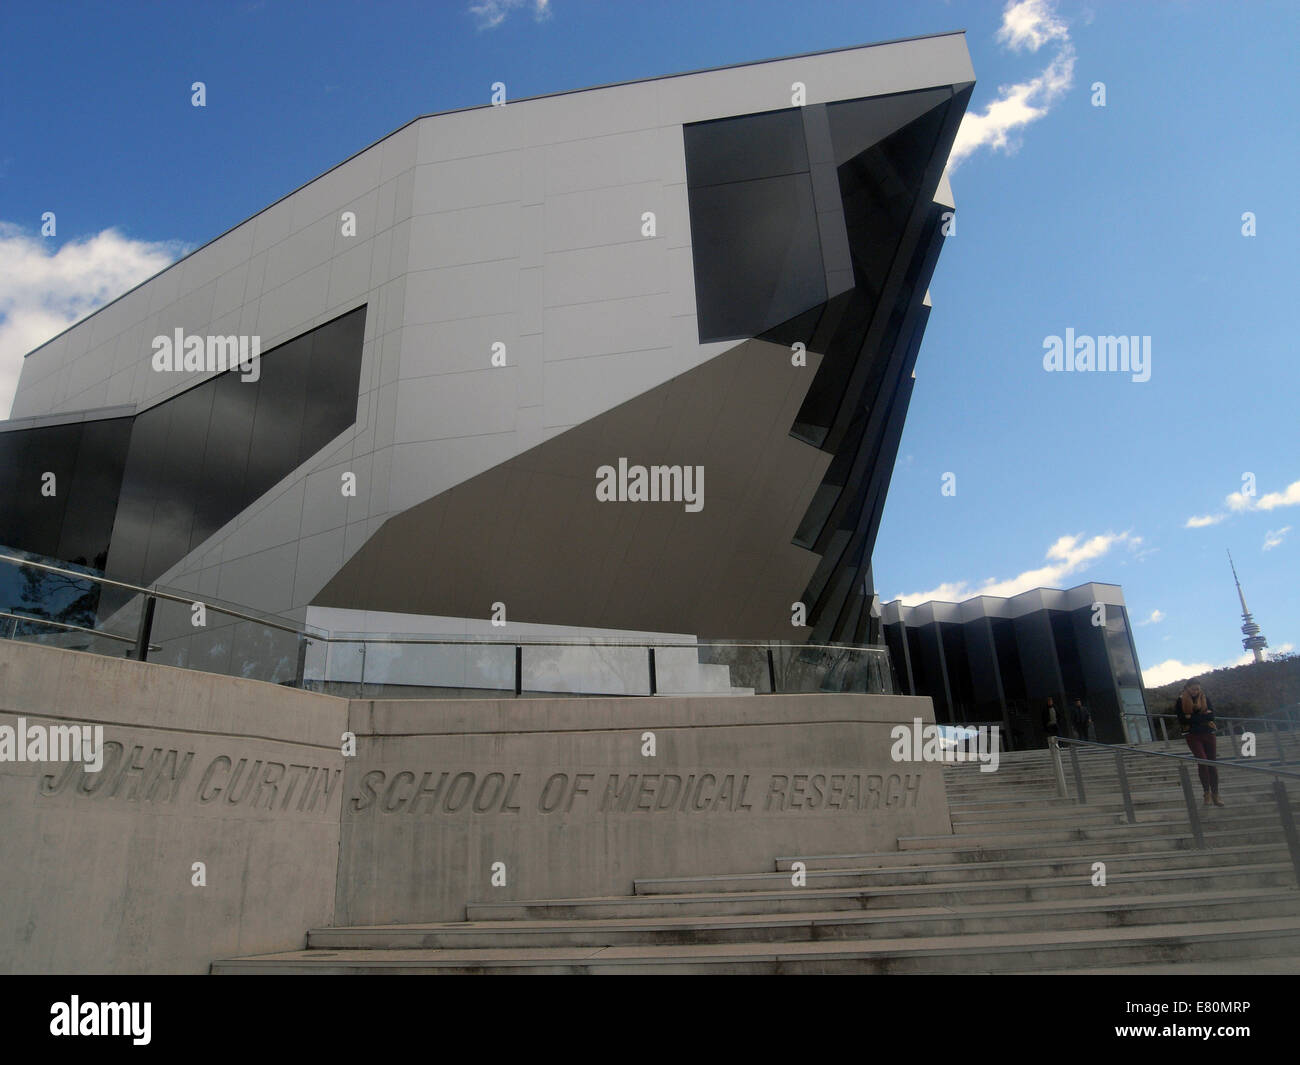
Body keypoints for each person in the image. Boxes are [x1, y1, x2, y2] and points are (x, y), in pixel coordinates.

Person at [1174, 680, 1223, 806]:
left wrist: (1192, 717)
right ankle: (1206, 793)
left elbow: (1211, 717)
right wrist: (1202, 716)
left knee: (1212, 763)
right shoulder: (1181, 700)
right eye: (1193, 689)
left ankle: (1215, 794)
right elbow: (1182, 720)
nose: (1195, 691)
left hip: (1208, 733)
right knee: (1202, 761)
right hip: (1193, 735)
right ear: (1187, 688)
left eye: (1197, 689)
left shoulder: (1205, 698)